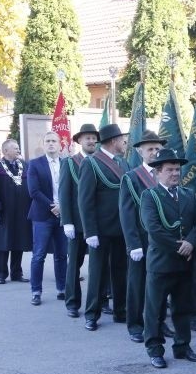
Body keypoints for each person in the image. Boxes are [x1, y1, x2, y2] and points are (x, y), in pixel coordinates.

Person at [140, 148, 196, 368]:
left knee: (183, 308)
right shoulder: (149, 196)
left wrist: (192, 242)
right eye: (170, 170)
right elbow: (154, 230)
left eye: (177, 169)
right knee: (155, 310)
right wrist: (181, 246)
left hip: (185, 264)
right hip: (161, 263)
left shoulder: (188, 195)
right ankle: (155, 349)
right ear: (158, 172)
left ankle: (182, 346)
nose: (175, 173)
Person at [77, 123, 130, 331]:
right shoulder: (92, 163)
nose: (125, 143)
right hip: (100, 230)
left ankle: (120, 310)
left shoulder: (123, 164)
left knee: (120, 271)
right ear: (113, 141)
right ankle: (92, 313)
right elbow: (85, 200)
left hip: (121, 228)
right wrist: (90, 231)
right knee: (97, 273)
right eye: (122, 140)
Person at [119, 130, 166, 343]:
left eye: (157, 148)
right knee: (137, 283)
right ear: (140, 152)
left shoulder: (165, 173)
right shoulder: (131, 177)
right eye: (150, 149)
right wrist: (132, 244)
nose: (155, 152)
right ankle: (135, 324)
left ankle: (158, 321)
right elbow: (126, 212)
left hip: (161, 239)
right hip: (140, 238)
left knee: (159, 283)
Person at [60, 124, 98, 317]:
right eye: (87, 138)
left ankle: (101, 300)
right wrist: (67, 221)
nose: (91, 141)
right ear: (79, 141)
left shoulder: (101, 161)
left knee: (100, 265)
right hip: (76, 223)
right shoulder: (70, 163)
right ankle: (72, 302)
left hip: (97, 224)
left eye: (93, 138)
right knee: (74, 264)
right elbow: (64, 193)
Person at [26, 131, 67, 306]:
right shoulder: (35, 164)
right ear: (44, 144)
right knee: (39, 255)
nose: (51, 144)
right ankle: (36, 291)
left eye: (54, 141)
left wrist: (62, 208)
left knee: (61, 255)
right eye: (48, 141)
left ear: (60, 145)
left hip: (63, 216)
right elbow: (33, 191)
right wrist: (53, 207)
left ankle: (62, 289)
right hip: (42, 216)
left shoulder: (67, 163)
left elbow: (73, 189)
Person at [0, 138, 32, 284]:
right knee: (3, 243)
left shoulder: (24, 165)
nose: (18, 150)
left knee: (19, 241)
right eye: (15, 148)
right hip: (4, 211)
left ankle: (17, 273)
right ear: (6, 151)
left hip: (21, 210)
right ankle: (1, 273)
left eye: (18, 148)